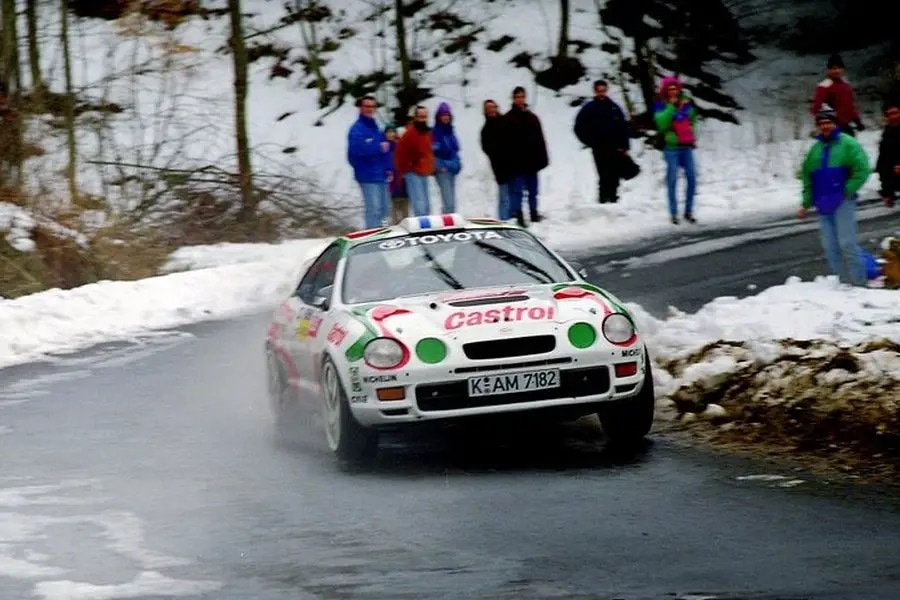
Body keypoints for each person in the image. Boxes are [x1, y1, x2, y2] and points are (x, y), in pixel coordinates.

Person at [798, 107, 872, 287]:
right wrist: (806, 203)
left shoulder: (848, 144)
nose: (825, 126)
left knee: (847, 243)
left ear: (835, 123)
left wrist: (847, 190)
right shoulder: (815, 150)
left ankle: (859, 284)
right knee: (831, 248)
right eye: (821, 123)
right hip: (823, 204)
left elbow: (862, 170)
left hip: (843, 201)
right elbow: (807, 177)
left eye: (828, 122)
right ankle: (845, 284)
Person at [574, 79, 631, 204]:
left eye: (603, 90)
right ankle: (603, 198)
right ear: (595, 91)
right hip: (599, 147)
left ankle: (613, 197)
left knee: (614, 173)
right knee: (603, 173)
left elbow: (623, 128)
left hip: (615, 147)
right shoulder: (589, 109)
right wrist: (590, 141)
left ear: (606, 91)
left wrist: (625, 146)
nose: (601, 93)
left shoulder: (614, 107)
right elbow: (579, 127)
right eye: (599, 91)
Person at [653, 76, 698, 224]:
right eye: (670, 89)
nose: (673, 91)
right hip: (671, 147)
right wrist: (671, 108)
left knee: (692, 178)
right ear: (665, 90)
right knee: (672, 179)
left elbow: (692, 120)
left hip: (686, 146)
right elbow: (662, 125)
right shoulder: (660, 104)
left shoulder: (685, 101)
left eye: (675, 88)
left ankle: (689, 211)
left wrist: (693, 134)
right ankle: (673, 213)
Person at [504, 86, 549, 227]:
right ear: (513, 99)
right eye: (517, 97)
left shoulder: (532, 118)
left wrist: (543, 158)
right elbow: (504, 143)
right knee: (517, 192)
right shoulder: (507, 119)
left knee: (533, 191)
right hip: (516, 164)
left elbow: (540, 140)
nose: (520, 99)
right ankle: (519, 216)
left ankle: (534, 213)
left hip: (532, 163)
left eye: (522, 97)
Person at [346, 95, 389, 228]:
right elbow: (356, 150)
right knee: (373, 209)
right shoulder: (357, 129)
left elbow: (386, 150)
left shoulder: (376, 127)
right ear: (361, 108)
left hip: (381, 174)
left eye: (372, 106)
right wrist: (377, 147)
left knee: (384, 209)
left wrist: (388, 168)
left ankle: (384, 235)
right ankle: (373, 238)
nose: (370, 109)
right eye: (367, 106)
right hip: (367, 176)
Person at [810, 54, 865, 137]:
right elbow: (816, 108)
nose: (836, 71)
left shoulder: (846, 85)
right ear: (828, 70)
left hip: (846, 127)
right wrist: (827, 122)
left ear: (843, 69)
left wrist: (857, 121)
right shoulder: (824, 86)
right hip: (832, 128)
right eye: (833, 68)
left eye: (839, 68)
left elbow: (850, 107)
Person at [394, 105, 435, 216]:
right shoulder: (409, 134)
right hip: (412, 172)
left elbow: (428, 152)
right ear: (415, 117)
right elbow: (399, 153)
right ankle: (421, 230)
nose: (423, 119)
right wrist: (405, 168)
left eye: (425, 117)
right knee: (419, 205)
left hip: (424, 171)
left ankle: (428, 230)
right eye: (420, 117)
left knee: (426, 205)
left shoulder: (427, 133)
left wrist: (430, 166)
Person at [480, 99, 512, 220]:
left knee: (515, 195)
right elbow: (486, 148)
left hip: (514, 164)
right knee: (504, 197)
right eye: (488, 108)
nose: (491, 110)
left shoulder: (506, 121)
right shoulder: (485, 130)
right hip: (499, 167)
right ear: (485, 111)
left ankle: (516, 220)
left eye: (493, 107)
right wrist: (497, 156)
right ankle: (504, 221)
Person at [431, 102, 462, 213]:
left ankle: (449, 222)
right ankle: (447, 223)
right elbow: (432, 153)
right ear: (439, 117)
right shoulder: (435, 132)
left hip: (451, 169)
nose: (445, 117)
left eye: (447, 114)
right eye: (443, 115)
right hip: (442, 170)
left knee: (451, 202)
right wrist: (440, 165)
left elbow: (455, 150)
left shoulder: (450, 131)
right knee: (448, 202)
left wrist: (457, 163)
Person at [876, 98, 900, 208]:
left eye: (895, 113)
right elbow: (883, 164)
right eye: (889, 114)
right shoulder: (887, 136)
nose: (892, 117)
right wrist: (888, 192)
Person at [384, 122, 410, 224]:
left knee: (404, 207)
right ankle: (394, 226)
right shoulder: (383, 146)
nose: (391, 134)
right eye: (388, 132)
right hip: (389, 182)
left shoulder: (399, 146)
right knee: (393, 208)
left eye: (393, 132)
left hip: (401, 181)